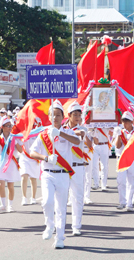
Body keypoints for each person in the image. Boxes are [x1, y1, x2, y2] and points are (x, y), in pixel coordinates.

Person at [29, 100, 80, 249]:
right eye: (53, 115)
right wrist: (46, 158)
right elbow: (32, 152)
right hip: (47, 173)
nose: (55, 118)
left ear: (62, 117)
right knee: (47, 201)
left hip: (63, 174)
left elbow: (77, 141)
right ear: (49, 116)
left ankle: (60, 238)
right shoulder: (43, 134)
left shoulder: (67, 132)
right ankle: (49, 225)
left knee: (61, 208)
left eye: (58, 115)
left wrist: (61, 133)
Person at [64, 101, 90, 236]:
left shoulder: (83, 129)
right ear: (69, 115)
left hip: (78, 167)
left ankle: (76, 226)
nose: (77, 118)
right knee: (62, 197)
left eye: (79, 115)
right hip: (64, 167)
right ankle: (61, 224)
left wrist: (85, 136)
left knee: (77, 197)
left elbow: (90, 145)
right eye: (75, 115)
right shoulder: (63, 129)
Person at [0, 117, 22, 213]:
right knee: (1, 183)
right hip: (1, 162)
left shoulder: (14, 137)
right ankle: (3, 204)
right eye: (8, 126)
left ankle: (10, 205)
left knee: (10, 185)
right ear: (2, 127)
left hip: (11, 162)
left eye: (10, 126)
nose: (10, 127)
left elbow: (21, 151)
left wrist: (16, 143)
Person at [114, 111, 134, 212]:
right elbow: (117, 146)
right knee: (121, 181)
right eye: (123, 121)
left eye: (127, 121)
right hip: (122, 159)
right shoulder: (120, 132)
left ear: (131, 122)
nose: (125, 123)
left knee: (132, 182)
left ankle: (129, 203)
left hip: (133, 159)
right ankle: (122, 202)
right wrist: (118, 135)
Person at [19, 117, 42, 206]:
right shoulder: (24, 133)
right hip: (25, 157)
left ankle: (33, 197)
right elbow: (20, 146)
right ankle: (24, 197)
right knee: (24, 177)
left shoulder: (38, 133)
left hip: (34, 159)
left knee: (33, 179)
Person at [90, 126, 112, 191]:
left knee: (104, 166)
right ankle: (96, 183)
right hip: (95, 146)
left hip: (104, 145)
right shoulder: (93, 122)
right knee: (94, 165)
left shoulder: (105, 122)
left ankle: (103, 185)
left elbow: (112, 129)